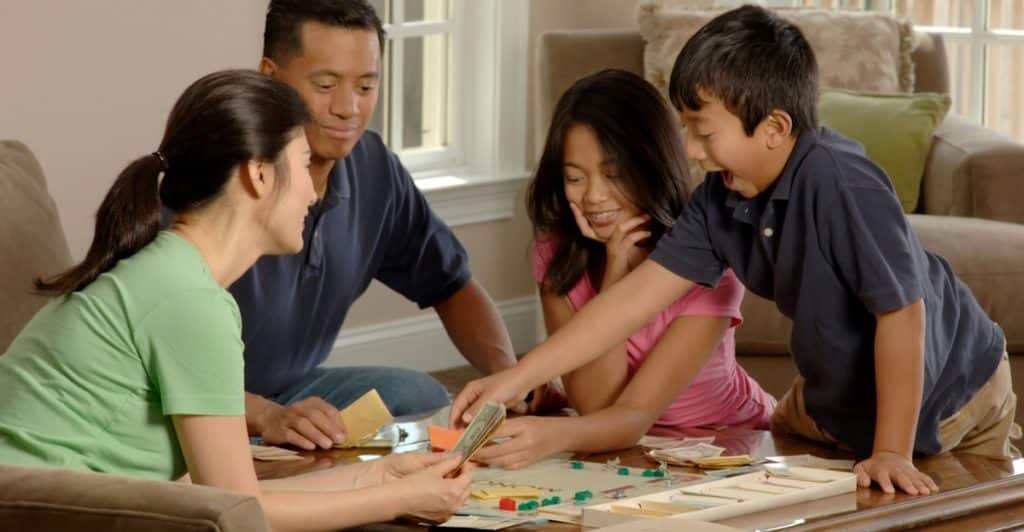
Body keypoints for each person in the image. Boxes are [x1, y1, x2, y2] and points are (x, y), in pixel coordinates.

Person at [451, 5, 1019, 496]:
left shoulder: (842, 182)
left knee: (948, 507)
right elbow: (627, 305)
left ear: (773, 127)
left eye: (704, 132)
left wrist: (892, 449)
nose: (693, 153)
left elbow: (902, 313)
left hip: (949, 387)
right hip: (835, 397)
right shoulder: (718, 202)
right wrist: (514, 378)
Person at [0, 69, 471, 530]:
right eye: (304, 164)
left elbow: (217, 495)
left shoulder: (168, 273)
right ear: (259, 176)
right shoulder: (189, 301)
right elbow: (239, 515)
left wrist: (378, 476)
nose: (312, 190)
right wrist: (397, 500)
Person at [235, 0, 564, 452]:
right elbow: (153, 366)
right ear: (270, 78)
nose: (348, 108)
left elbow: (451, 284)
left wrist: (506, 377)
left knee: (419, 395)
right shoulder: (222, 179)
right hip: (198, 401)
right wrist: (263, 415)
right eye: (326, 84)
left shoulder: (373, 168)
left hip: (289, 387)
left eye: (367, 85)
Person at [471, 70, 774, 470]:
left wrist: (550, 433)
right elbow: (595, 403)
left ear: (653, 164)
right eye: (575, 178)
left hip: (727, 439)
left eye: (614, 175)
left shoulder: (710, 260)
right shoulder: (556, 255)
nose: (594, 196)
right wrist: (615, 272)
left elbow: (632, 414)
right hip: (626, 447)